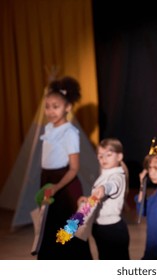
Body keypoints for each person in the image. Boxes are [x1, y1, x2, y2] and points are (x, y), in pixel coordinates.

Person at [37, 76, 92, 260]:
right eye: (47, 106)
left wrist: (57, 187)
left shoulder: (69, 132)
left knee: (69, 230)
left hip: (65, 186)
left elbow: (74, 168)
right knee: (50, 228)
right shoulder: (48, 128)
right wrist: (47, 186)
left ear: (67, 107)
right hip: (48, 182)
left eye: (56, 106)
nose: (50, 111)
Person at [78, 138, 130, 259]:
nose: (103, 159)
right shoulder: (105, 174)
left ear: (119, 156)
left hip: (112, 230)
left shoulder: (117, 176)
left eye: (108, 155)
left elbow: (112, 185)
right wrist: (87, 199)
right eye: (100, 156)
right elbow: (95, 201)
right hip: (100, 228)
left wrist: (104, 188)